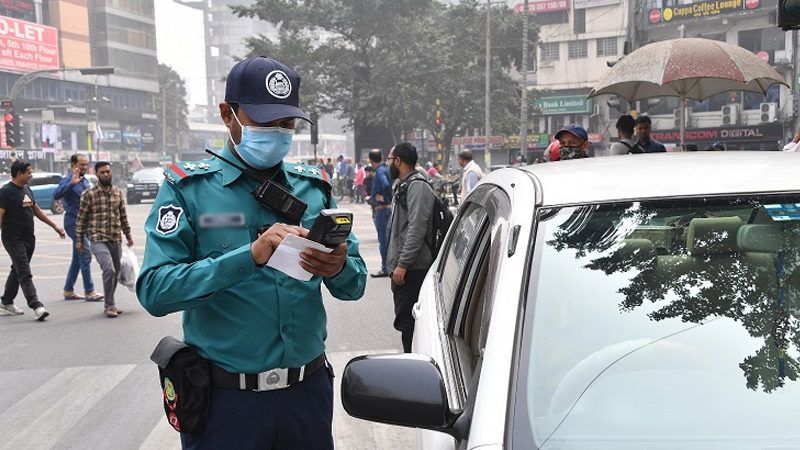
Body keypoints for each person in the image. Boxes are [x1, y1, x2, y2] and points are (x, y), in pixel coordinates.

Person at [136, 56, 367, 450]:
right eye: (264, 121)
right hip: (226, 404)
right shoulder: (187, 189)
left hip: (306, 394)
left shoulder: (314, 188)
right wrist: (250, 256)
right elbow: (155, 291)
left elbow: (355, 284)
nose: (277, 133)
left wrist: (339, 266)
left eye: (287, 123)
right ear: (228, 115)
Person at [0, 160, 66, 320]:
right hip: (12, 238)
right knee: (24, 271)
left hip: (29, 238)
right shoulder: (6, 192)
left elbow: (36, 210)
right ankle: (37, 306)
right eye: (29, 173)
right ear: (19, 174)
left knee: (17, 269)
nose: (31, 175)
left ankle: (6, 301)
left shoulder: (26, 189)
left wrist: (54, 226)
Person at [386, 142, 435, 353]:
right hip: (405, 268)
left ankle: (414, 364)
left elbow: (417, 229)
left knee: (410, 325)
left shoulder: (418, 186)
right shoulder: (405, 185)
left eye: (389, 159)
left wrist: (403, 264)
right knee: (405, 322)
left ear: (398, 161)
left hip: (413, 270)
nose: (388, 163)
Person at [75, 161, 134, 318]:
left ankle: (109, 302)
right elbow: (81, 219)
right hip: (97, 238)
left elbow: (123, 217)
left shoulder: (117, 193)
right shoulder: (89, 194)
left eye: (108, 172)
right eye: (102, 172)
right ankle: (109, 305)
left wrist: (128, 236)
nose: (106, 175)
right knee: (109, 269)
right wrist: (79, 240)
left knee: (115, 271)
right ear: (97, 174)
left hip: (115, 238)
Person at [53, 154, 104, 302]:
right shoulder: (68, 180)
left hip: (85, 224)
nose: (84, 167)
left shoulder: (85, 181)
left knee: (78, 258)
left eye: (86, 164)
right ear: (74, 165)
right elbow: (56, 195)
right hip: (73, 223)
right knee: (85, 254)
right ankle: (89, 291)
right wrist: (71, 184)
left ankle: (68, 290)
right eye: (82, 164)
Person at [368, 148, 392, 278]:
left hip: (382, 209)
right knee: (387, 238)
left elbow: (386, 184)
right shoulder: (386, 169)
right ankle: (389, 266)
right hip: (387, 208)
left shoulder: (379, 172)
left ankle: (385, 268)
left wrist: (384, 198)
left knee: (383, 239)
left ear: (370, 160)